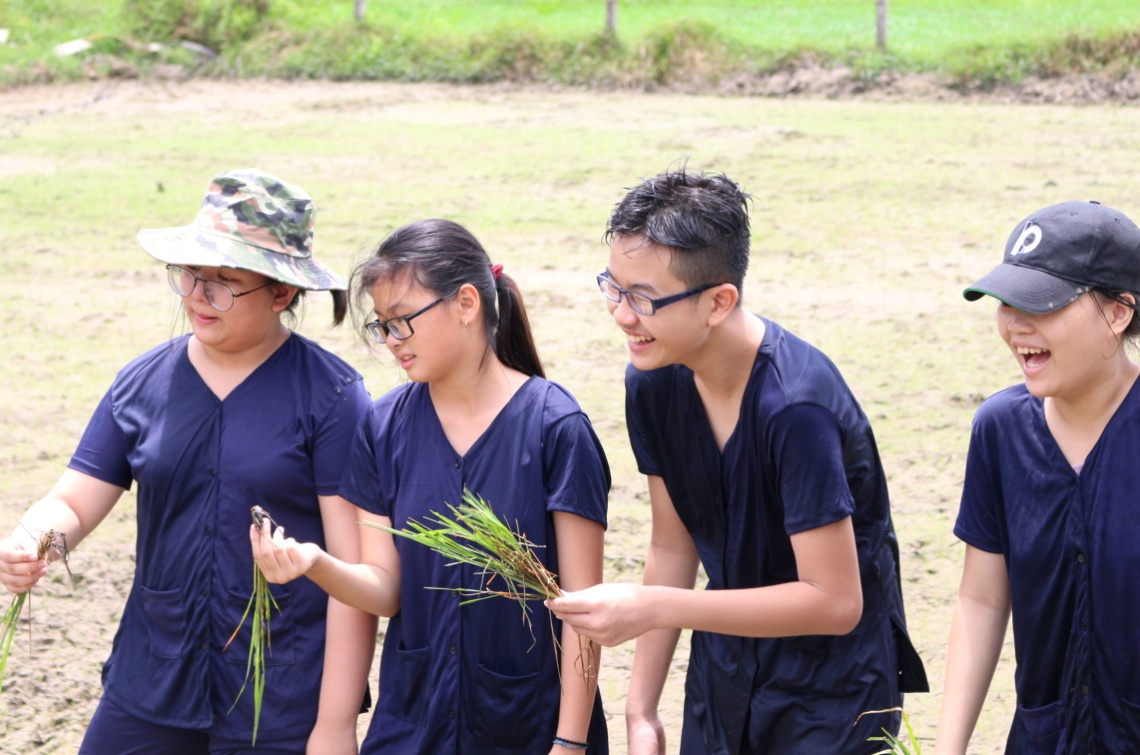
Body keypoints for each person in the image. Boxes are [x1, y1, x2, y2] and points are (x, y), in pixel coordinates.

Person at [546, 168, 928, 754]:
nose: (622, 314)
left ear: (719, 301)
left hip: (833, 700)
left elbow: (835, 601)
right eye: (614, 287)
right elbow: (673, 544)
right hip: (723, 677)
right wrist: (640, 710)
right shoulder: (653, 380)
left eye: (644, 297)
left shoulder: (796, 408)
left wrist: (653, 606)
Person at [0, 168, 375, 754]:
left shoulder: (332, 398)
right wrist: (32, 541)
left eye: (224, 282)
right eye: (191, 276)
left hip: (278, 700)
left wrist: (334, 725)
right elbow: (73, 500)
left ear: (283, 292)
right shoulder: (142, 383)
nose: (199, 297)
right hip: (151, 680)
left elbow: (354, 576)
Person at [250, 218, 611, 754]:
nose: (391, 341)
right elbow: (387, 591)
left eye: (402, 321)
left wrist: (569, 742)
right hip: (413, 728)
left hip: (529, 731)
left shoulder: (555, 427)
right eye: (382, 326)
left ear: (467, 304)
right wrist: (315, 564)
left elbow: (584, 610)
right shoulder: (382, 425)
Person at [935, 200, 1140, 754]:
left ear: (1119, 313)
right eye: (1006, 302)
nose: (1015, 325)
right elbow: (980, 601)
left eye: (1042, 305)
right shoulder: (999, 430)